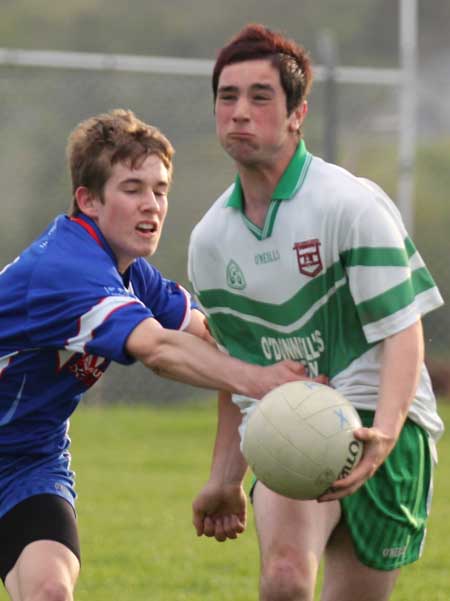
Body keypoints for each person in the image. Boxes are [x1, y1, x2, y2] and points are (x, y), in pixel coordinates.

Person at [0, 108, 309, 601]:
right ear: (89, 200)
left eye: (160, 190)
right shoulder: (65, 267)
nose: (152, 205)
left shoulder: (132, 274)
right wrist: (264, 381)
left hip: (29, 464)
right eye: (132, 189)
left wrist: (293, 358)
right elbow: (160, 349)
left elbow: (215, 341)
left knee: (48, 592)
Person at [189, 24, 445, 601]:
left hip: (383, 428)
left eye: (260, 97)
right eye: (227, 97)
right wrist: (225, 479)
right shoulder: (209, 240)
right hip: (289, 423)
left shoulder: (348, 204)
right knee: (285, 580)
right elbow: (234, 371)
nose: (239, 112)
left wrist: (384, 433)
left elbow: (404, 333)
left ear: (297, 112)